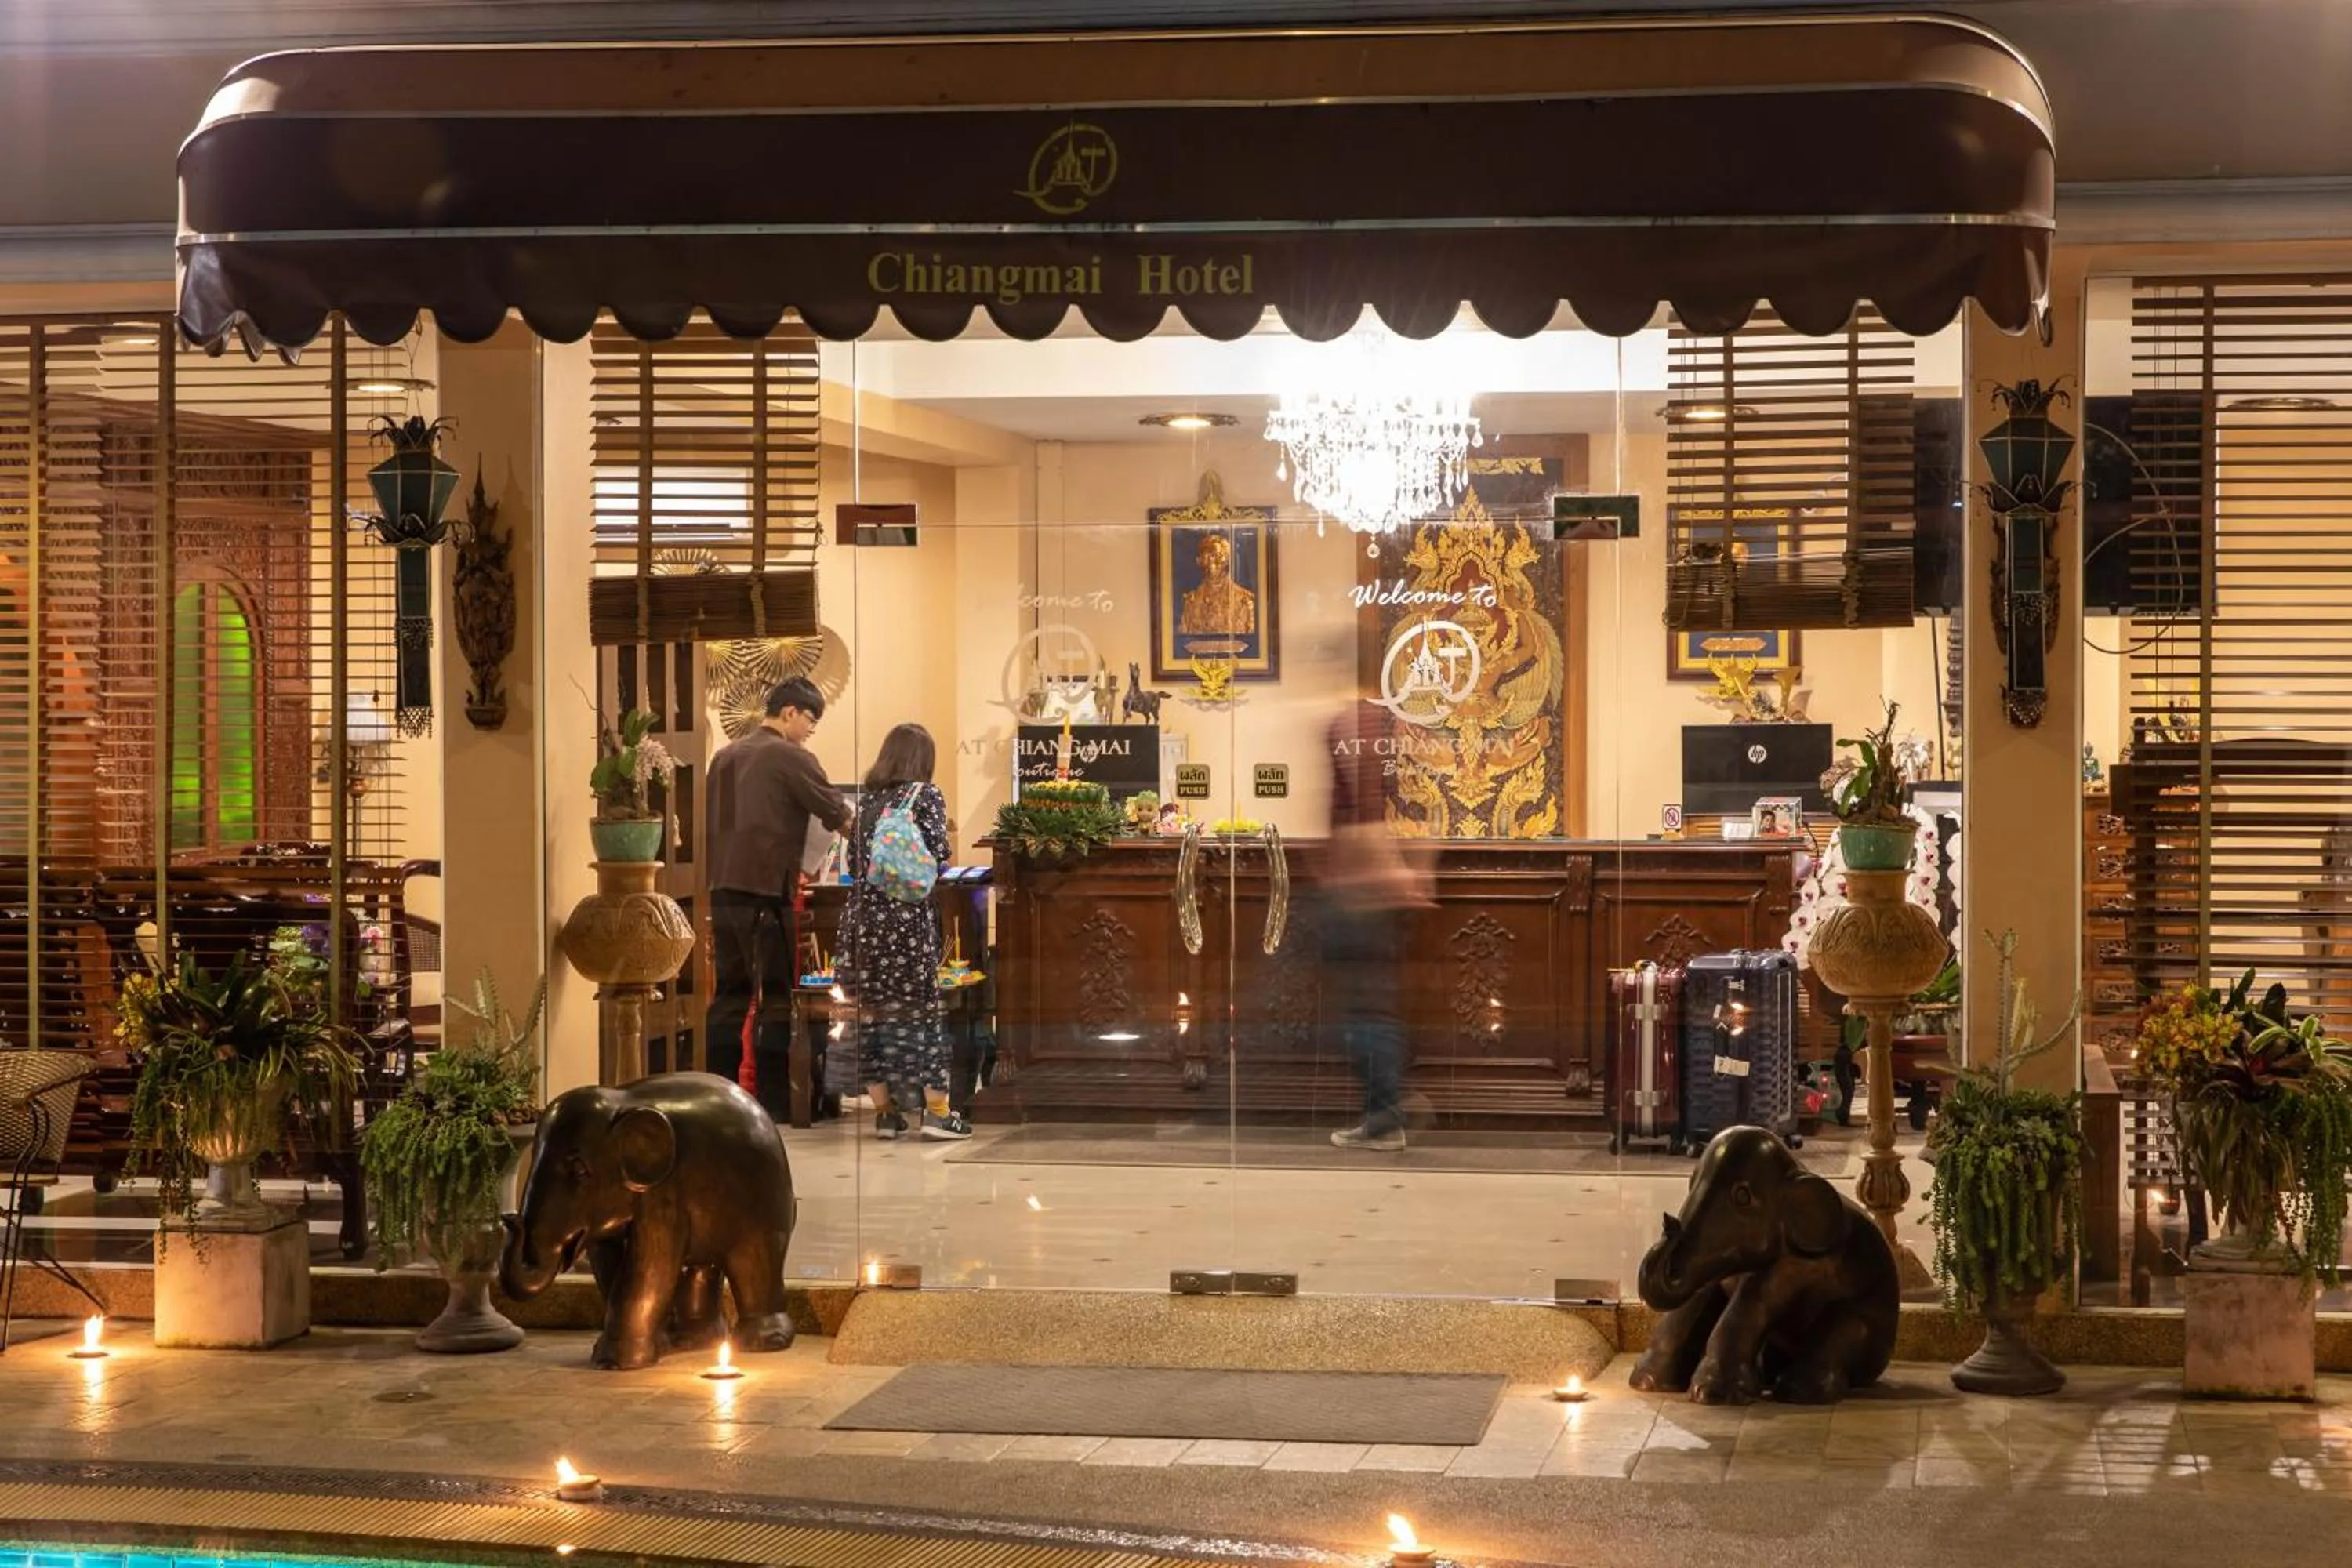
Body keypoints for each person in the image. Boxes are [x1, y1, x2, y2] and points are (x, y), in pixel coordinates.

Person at [704, 677, 852, 1127]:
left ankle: (718, 1097)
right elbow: (837, 813)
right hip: (768, 891)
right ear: (790, 712)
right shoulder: (791, 757)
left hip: (722, 888)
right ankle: (772, 1102)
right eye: (810, 721)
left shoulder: (724, 756)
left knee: (730, 995)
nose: (809, 732)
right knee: (775, 999)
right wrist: (880, 848)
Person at [837, 722, 968, 1141]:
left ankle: (885, 1114)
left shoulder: (867, 803)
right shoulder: (924, 796)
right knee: (921, 1016)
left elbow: (854, 864)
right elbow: (939, 853)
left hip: (861, 922)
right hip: (905, 922)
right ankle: (938, 1114)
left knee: (871, 1017)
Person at [1323, 695, 1432, 1152]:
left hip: (1360, 897)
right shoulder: (1370, 722)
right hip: (1367, 894)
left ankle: (1386, 1114)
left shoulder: (1356, 723)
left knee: (1367, 1014)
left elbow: (1364, 815)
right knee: (1371, 1011)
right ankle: (1387, 1110)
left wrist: (1388, 873)